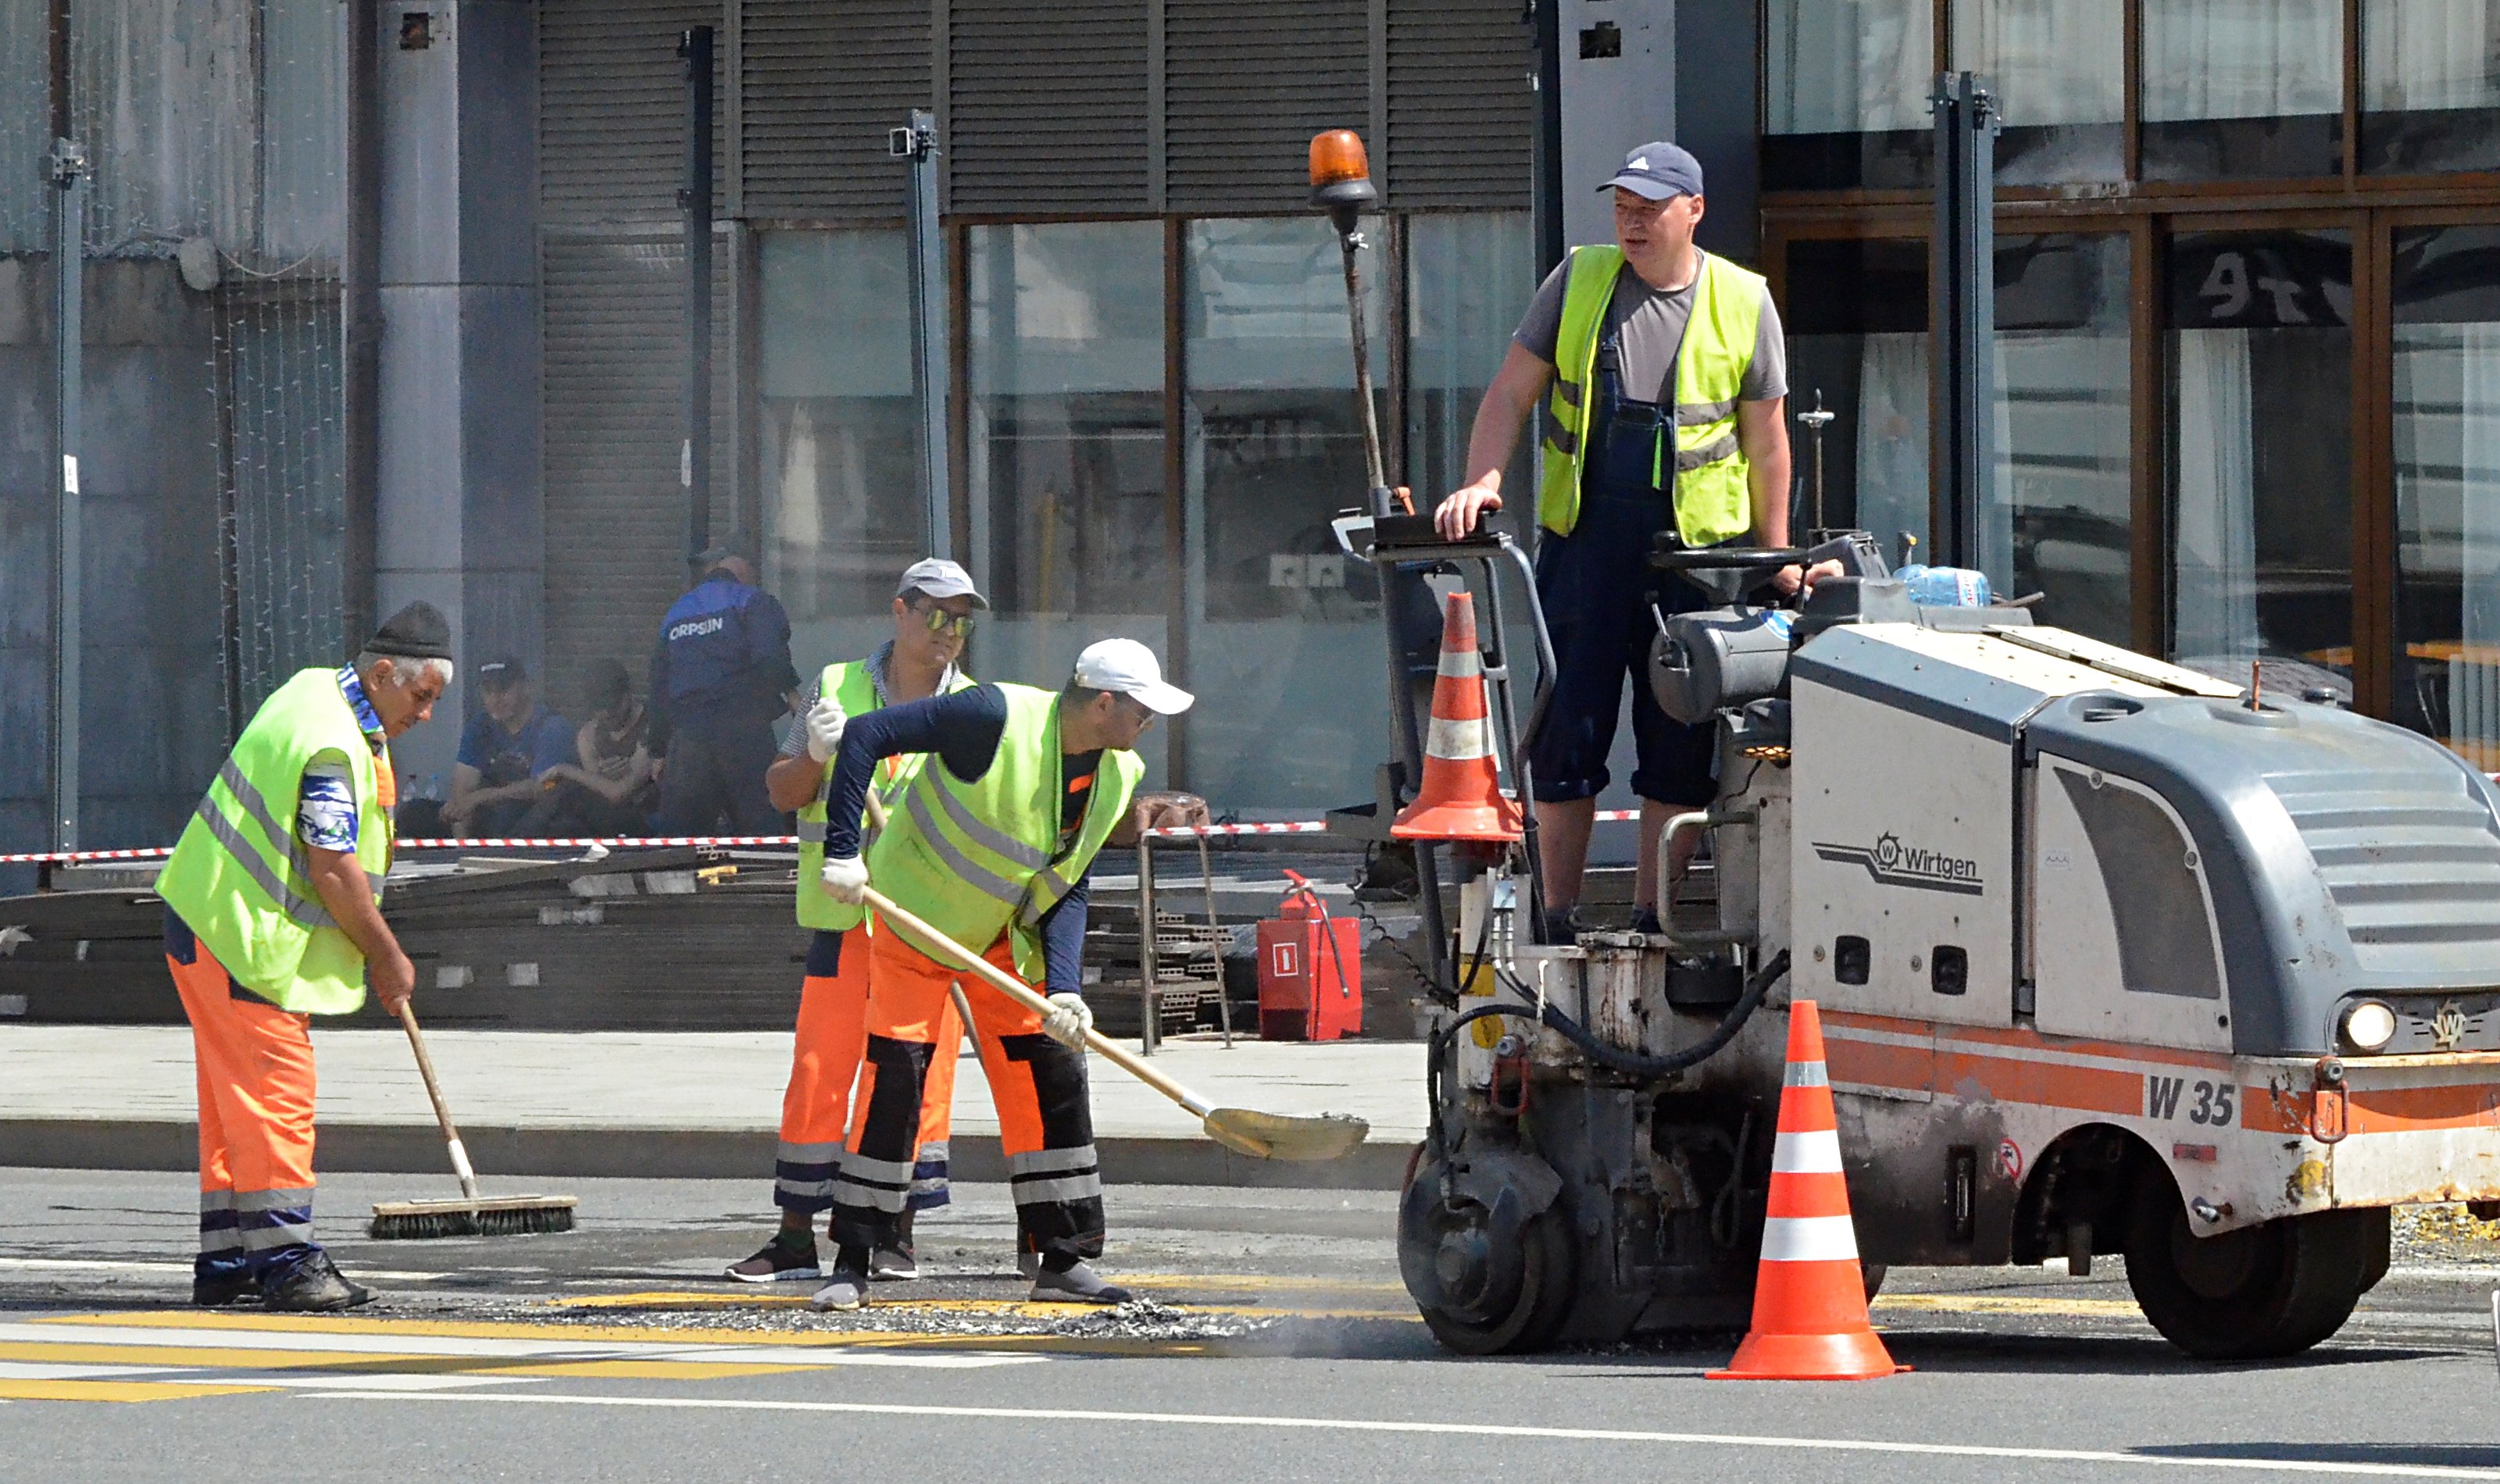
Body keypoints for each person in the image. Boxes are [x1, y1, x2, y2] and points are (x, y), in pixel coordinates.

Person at [1430, 141, 1836, 938]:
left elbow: (1767, 442)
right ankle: (1555, 919)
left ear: (1694, 211)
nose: (1631, 224)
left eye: (1648, 209)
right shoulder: (1579, 280)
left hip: (1698, 560)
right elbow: (1509, 394)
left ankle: (1655, 923)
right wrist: (1482, 481)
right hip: (1586, 544)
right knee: (1567, 729)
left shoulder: (1743, 299)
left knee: (1678, 738)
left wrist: (1777, 557)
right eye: (1622, 208)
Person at [812, 638, 1194, 1310]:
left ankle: (1063, 1258)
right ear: (1103, 704)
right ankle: (853, 1260)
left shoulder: (1117, 774)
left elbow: (1069, 883)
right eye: (1142, 711)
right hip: (914, 923)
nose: (1149, 725)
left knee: (1051, 1073)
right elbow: (866, 735)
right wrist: (843, 852)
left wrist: (1065, 988)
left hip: (1000, 939)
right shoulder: (992, 715)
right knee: (896, 1079)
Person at [155, 601, 452, 1311]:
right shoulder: (332, 745)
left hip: (208, 919)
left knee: (234, 1105)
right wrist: (386, 955)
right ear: (383, 673)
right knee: (274, 1099)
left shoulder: (314, 691)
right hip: (247, 938)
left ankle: (230, 1256)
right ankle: (288, 1260)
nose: (426, 715)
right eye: (421, 696)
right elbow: (334, 869)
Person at [723, 558, 985, 1285]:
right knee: (819, 1076)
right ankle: (795, 1236)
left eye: (962, 621)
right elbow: (782, 794)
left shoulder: (974, 711)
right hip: (844, 926)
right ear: (900, 612)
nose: (949, 632)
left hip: (927, 933)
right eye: (936, 614)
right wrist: (813, 752)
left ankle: (894, 1231)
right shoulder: (834, 687)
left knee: (917, 1084)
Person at [648, 549, 798, 835]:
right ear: (743, 572)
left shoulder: (676, 613)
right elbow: (770, 658)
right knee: (761, 829)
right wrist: (791, 696)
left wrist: (658, 750)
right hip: (743, 731)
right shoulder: (751, 599)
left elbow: (658, 687)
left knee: (681, 838)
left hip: (689, 738)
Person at [440, 658, 574, 837]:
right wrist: (461, 842)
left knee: (507, 815)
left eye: (503, 690)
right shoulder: (480, 726)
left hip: (542, 818)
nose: (495, 699)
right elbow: (463, 788)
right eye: (488, 691)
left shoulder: (552, 726)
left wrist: (481, 797)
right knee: (415, 813)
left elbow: (543, 786)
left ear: (526, 687)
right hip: (491, 814)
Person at [533, 658, 660, 834]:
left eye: (612, 706)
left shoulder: (651, 727)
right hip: (605, 818)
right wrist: (600, 777)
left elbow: (618, 793)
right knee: (563, 826)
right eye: (599, 708)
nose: (606, 714)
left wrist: (565, 770)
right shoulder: (589, 734)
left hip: (645, 820)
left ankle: (513, 842)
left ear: (627, 696)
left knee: (567, 790)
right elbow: (596, 792)